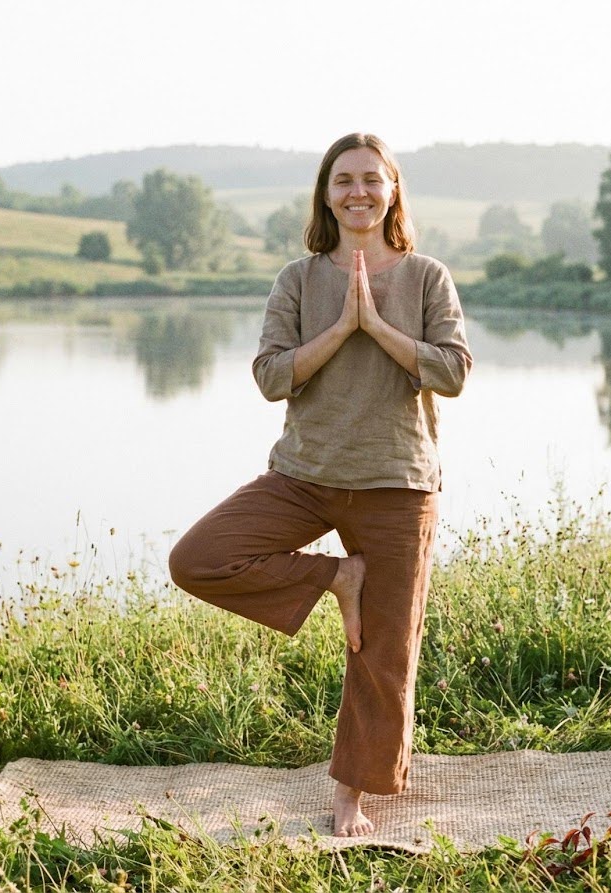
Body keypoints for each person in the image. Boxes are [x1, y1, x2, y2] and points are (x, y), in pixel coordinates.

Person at [167, 132, 471, 837]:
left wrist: (377, 327)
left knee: (384, 654)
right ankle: (339, 576)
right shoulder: (298, 280)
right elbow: (271, 376)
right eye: (343, 181)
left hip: (398, 483)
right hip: (304, 476)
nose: (358, 192)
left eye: (372, 178)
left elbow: (453, 372)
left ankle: (350, 799)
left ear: (393, 189)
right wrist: (339, 328)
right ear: (325, 194)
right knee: (198, 558)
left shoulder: (427, 276)